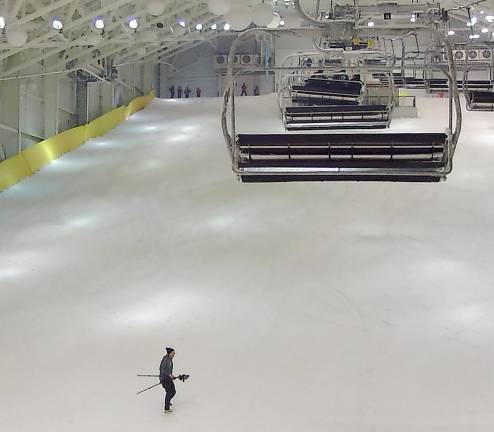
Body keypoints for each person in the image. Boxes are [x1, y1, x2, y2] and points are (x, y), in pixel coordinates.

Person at [160, 347, 177, 413]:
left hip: (169, 378)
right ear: (169, 353)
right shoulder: (165, 360)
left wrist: (172, 376)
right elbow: (162, 369)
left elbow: (169, 370)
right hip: (164, 379)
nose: (174, 354)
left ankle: (168, 401)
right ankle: (166, 408)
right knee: (170, 392)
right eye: (173, 353)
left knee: (173, 391)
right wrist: (168, 374)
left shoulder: (170, 359)